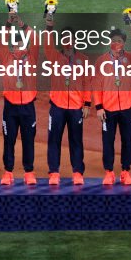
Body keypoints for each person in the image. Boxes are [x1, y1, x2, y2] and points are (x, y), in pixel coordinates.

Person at [93, 26, 131, 186]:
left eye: (120, 41)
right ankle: (109, 172)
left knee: (127, 141)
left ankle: (125, 172)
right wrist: (99, 107)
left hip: (126, 107)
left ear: (124, 43)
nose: (116, 43)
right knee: (108, 141)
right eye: (114, 40)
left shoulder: (130, 58)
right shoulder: (101, 60)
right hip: (108, 109)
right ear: (109, 42)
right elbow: (97, 85)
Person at [41, 15, 92, 187]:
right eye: (64, 38)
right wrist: (49, 26)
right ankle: (54, 173)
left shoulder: (83, 60)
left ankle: (77, 172)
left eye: (70, 38)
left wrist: (87, 104)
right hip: (57, 106)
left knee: (76, 140)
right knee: (54, 140)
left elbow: (87, 83)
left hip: (76, 107)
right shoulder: (54, 56)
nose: (67, 41)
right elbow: (47, 44)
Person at [0, 13, 40, 186]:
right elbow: (1, 40)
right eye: (15, 43)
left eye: (21, 43)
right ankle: (8, 172)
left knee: (29, 140)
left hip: (28, 106)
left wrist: (22, 24)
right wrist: (9, 22)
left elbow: (36, 39)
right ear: (11, 45)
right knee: (9, 140)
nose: (18, 46)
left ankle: (28, 171)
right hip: (10, 106)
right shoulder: (5, 56)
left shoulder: (32, 57)